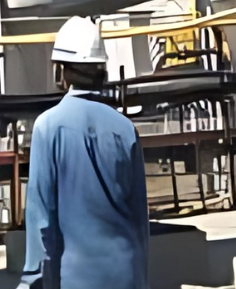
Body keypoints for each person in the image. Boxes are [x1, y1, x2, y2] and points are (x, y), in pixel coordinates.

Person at [20, 16, 149, 289]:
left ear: (62, 71)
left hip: (75, 277)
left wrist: (31, 280)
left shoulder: (48, 127)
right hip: (126, 273)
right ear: (102, 71)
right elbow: (140, 215)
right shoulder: (125, 128)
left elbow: (41, 217)